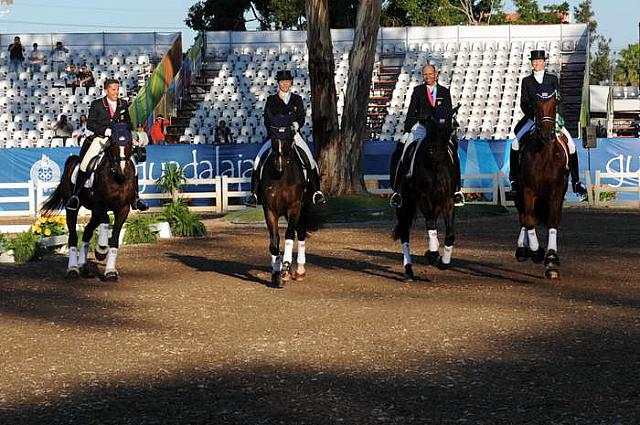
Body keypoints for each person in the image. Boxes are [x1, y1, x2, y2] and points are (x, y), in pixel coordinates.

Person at [509, 50, 587, 196]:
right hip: (534, 118)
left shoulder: (552, 79)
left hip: (552, 118)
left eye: (539, 61)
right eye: (534, 61)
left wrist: (558, 116)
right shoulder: (527, 81)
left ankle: (576, 182)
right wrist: (536, 116)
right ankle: (514, 180)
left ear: (544, 62)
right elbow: (523, 103)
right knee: (515, 143)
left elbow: (559, 100)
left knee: (570, 144)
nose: (536, 63)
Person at [245, 69, 326, 207]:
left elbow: (301, 117)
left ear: (291, 82)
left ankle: (316, 192)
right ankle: (253, 194)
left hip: (293, 136)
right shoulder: (271, 100)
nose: (285, 84)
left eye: (287, 81)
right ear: (278, 83)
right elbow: (267, 119)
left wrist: (296, 125)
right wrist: (272, 131)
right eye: (282, 81)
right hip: (276, 137)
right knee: (258, 161)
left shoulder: (297, 99)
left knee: (310, 161)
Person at [66, 79, 148, 211]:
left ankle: (136, 198)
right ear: (106, 90)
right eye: (113, 89)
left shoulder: (123, 104)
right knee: (85, 162)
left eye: (117, 89)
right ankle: (75, 196)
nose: (116, 92)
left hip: (119, 139)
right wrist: (105, 130)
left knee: (132, 162)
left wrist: (127, 134)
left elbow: (128, 123)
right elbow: (90, 124)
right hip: (101, 138)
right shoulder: (97, 104)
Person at [389, 64, 463, 208]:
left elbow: (447, 114)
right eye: (425, 75)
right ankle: (397, 191)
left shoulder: (444, 91)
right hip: (421, 127)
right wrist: (408, 129)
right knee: (404, 150)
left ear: (436, 74)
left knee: (454, 153)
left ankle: (457, 190)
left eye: (430, 74)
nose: (428, 77)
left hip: (438, 131)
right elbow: (411, 111)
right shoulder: (418, 91)